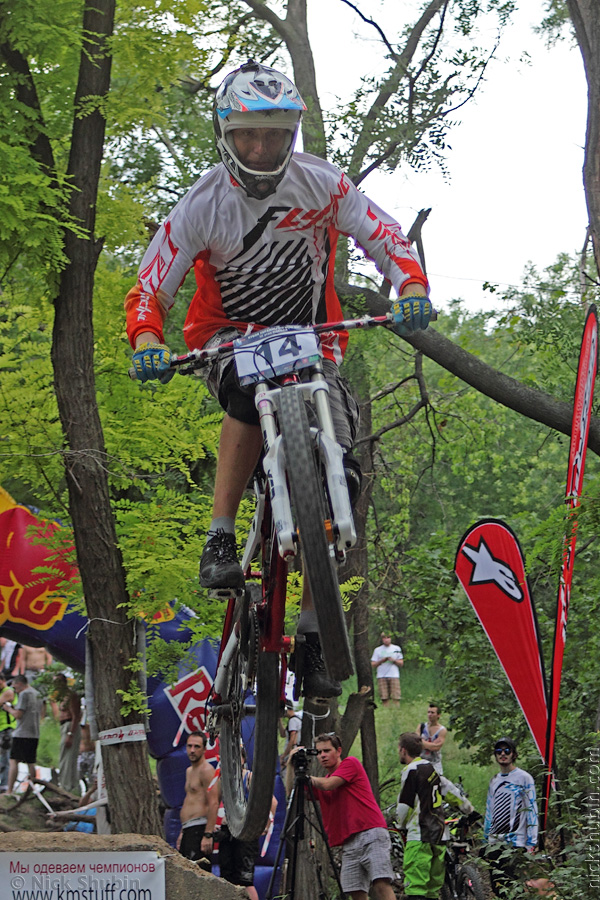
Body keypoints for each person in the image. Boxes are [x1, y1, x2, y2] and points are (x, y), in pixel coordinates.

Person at [125, 60, 431, 699]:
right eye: (247, 136)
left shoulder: (322, 184)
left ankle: (316, 633)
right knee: (243, 387)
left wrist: (412, 286)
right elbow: (150, 284)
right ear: (225, 135)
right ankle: (220, 535)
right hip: (227, 336)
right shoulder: (203, 205)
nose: (261, 149)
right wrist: (149, 338)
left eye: (274, 135)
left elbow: (387, 236)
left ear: (292, 134)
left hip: (314, 337)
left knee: (339, 469)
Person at [308, 732, 396, 900]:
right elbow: (294, 791)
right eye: (319, 752)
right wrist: (291, 766)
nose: (322, 755)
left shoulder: (350, 764)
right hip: (349, 842)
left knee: (380, 883)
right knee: (355, 891)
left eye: (327, 750)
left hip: (371, 833)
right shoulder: (321, 780)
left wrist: (305, 777)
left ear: (338, 751)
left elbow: (328, 785)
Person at [396, 731, 474, 900]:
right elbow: (452, 792)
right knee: (432, 889)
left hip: (419, 835)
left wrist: (400, 825)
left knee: (416, 887)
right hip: (439, 835)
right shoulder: (432, 770)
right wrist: (470, 811)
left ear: (403, 750)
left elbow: (405, 804)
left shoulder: (411, 770)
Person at [483, 737, 538, 897]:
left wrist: (531, 843)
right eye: (499, 751)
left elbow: (531, 810)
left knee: (514, 888)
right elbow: (489, 811)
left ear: (513, 754)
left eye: (507, 751)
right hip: (495, 843)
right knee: (498, 887)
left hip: (516, 843)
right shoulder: (494, 780)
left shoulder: (524, 778)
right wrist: (486, 841)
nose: (503, 754)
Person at [177, 730, 219, 869]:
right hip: (187, 829)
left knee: (198, 874)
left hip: (200, 829)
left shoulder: (206, 770)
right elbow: (189, 800)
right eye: (189, 746)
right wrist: (182, 832)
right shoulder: (189, 771)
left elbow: (213, 803)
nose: (192, 750)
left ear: (205, 749)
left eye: (197, 746)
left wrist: (208, 834)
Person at [3, 674, 43, 795]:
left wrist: (8, 708)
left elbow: (18, 715)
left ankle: (9, 790)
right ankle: (31, 790)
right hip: (34, 732)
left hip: (22, 732)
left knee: (13, 760)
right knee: (31, 761)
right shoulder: (37, 694)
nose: (15, 690)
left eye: (15, 687)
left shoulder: (24, 694)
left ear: (20, 684)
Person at [50, 673, 82, 793]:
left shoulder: (71, 695)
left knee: (68, 758)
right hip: (64, 726)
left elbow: (76, 716)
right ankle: (69, 786)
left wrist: (70, 734)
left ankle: (67, 786)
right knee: (64, 757)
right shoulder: (61, 696)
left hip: (70, 726)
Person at [370, 632, 403, 707]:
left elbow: (401, 663)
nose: (386, 640)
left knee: (396, 696)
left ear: (390, 638)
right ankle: (387, 711)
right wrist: (382, 660)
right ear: (382, 639)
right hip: (382, 676)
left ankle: (396, 712)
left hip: (394, 675)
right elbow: (373, 664)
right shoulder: (377, 650)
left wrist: (393, 660)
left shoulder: (396, 648)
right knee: (384, 697)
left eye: (388, 637)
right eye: (384, 638)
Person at [417, 702, 447, 774]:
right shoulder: (421, 727)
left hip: (435, 763)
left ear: (438, 715)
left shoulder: (442, 730)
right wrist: (431, 744)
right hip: (421, 761)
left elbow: (436, 747)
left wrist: (423, 742)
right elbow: (416, 742)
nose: (430, 715)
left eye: (432, 713)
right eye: (428, 712)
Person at [0, 673, 15, 791]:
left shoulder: (8, 691)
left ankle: (4, 785)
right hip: (1, 728)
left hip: (7, 729)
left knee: (5, 758)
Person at [280, 701, 302, 771]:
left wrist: (284, 756)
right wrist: (279, 720)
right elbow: (283, 734)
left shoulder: (293, 721)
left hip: (291, 752)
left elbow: (292, 740)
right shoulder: (295, 720)